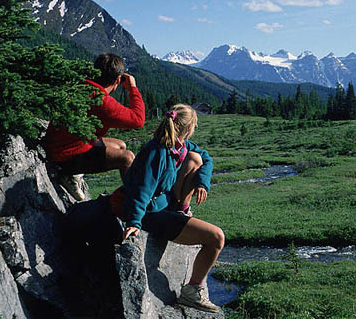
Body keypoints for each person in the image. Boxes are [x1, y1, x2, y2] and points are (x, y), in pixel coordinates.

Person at [117, 104, 224, 313]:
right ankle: (192, 292)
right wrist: (134, 222)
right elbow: (142, 190)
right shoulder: (156, 152)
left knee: (197, 158)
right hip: (152, 214)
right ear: (188, 128)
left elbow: (207, 158)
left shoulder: (180, 146)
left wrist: (202, 183)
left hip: (165, 206)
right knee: (216, 238)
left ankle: (182, 211)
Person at [44, 53, 145, 200]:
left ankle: (74, 175)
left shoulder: (81, 86)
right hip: (66, 157)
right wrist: (132, 89)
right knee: (127, 158)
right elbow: (138, 120)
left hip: (62, 145)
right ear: (118, 80)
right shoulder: (102, 101)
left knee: (120, 145)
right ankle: (134, 204)